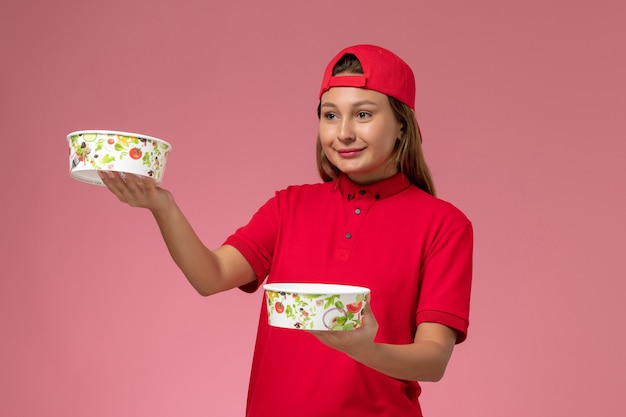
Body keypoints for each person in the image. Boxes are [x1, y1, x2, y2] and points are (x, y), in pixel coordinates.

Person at [99, 44, 473, 417]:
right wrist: (163, 207)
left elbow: (434, 358)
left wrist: (364, 350)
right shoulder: (288, 206)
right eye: (330, 115)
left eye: (362, 114)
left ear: (402, 124)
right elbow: (210, 276)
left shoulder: (444, 226)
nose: (343, 133)